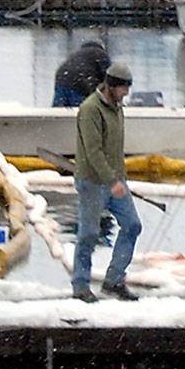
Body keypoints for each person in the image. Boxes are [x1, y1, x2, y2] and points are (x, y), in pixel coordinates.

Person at [71, 57, 141, 302]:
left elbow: (114, 149)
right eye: (124, 87)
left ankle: (114, 280)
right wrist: (112, 181)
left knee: (133, 225)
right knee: (89, 234)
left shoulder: (118, 107)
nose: (126, 93)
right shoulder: (91, 109)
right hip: (93, 181)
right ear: (111, 85)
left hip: (116, 180)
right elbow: (94, 151)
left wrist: (119, 178)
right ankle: (80, 285)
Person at [52, 39, 109, 110]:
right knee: (82, 112)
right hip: (80, 84)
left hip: (61, 79)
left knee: (58, 113)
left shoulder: (76, 53)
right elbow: (110, 78)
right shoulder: (101, 54)